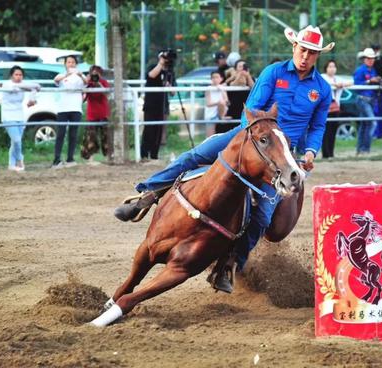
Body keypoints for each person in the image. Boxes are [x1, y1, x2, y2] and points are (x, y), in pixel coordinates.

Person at [115, 24, 334, 292]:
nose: (305, 56)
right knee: (194, 156)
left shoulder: (321, 89)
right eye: (303, 50)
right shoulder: (274, 73)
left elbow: (318, 126)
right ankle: (146, 196)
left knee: (263, 215)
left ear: (317, 56)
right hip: (248, 138)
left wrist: (310, 151)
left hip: (282, 156)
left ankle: (229, 264)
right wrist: (249, 140)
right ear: (294, 47)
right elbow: (251, 108)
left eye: (312, 53)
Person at [1, 66, 40, 171]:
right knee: (16, 140)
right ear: (11, 75)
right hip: (8, 116)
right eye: (16, 75)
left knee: (16, 142)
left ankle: (11, 164)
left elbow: (37, 86)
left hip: (19, 115)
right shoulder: (7, 84)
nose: (18, 77)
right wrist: (29, 87)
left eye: (20, 75)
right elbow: (14, 88)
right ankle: (19, 159)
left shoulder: (23, 84)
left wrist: (32, 98)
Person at [52, 55, 86, 168]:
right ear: (65, 64)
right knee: (61, 133)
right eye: (69, 62)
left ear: (76, 64)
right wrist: (67, 74)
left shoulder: (80, 76)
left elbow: (86, 83)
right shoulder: (61, 75)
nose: (71, 64)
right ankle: (56, 159)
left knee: (73, 134)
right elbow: (56, 80)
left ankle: (70, 158)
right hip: (63, 108)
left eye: (73, 62)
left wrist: (80, 75)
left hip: (76, 108)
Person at [140, 50, 173, 161]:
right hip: (150, 104)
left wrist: (169, 86)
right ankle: (144, 154)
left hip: (162, 104)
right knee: (149, 129)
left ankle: (154, 155)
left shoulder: (169, 72)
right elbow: (151, 75)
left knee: (159, 130)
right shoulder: (153, 66)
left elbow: (173, 91)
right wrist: (161, 63)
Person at [320, 60, 352, 158]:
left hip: (335, 108)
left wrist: (341, 85)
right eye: (330, 66)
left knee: (333, 131)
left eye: (334, 66)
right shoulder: (323, 77)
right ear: (326, 68)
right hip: (325, 108)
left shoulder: (337, 78)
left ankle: (331, 153)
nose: (332, 69)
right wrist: (335, 85)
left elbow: (351, 82)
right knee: (326, 131)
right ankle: (325, 153)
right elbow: (324, 83)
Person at [353, 47, 381, 155]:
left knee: (364, 125)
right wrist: (369, 81)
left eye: (372, 58)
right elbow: (356, 86)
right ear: (364, 59)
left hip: (370, 100)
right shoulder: (360, 71)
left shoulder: (372, 71)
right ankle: (365, 149)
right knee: (372, 123)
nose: (371, 60)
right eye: (369, 58)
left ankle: (360, 149)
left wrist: (378, 81)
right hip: (362, 100)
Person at [81, 65, 111, 163]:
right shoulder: (88, 83)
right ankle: (90, 159)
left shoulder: (103, 82)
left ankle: (108, 157)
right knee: (90, 137)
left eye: (97, 73)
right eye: (93, 73)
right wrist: (87, 82)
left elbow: (108, 94)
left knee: (106, 136)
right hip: (92, 114)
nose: (95, 76)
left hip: (103, 113)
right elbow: (83, 98)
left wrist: (98, 84)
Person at [220, 59, 255, 134]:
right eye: (240, 66)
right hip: (233, 110)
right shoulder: (230, 78)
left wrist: (247, 76)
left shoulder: (250, 78)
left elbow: (253, 88)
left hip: (246, 110)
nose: (242, 68)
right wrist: (239, 76)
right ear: (235, 69)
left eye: (244, 66)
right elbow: (231, 85)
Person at [205, 70, 229, 136]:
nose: (215, 79)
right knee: (209, 137)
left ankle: (221, 117)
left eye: (217, 77)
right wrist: (217, 103)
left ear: (221, 79)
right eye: (213, 77)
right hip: (211, 115)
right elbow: (208, 104)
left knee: (222, 137)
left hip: (222, 113)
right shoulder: (208, 88)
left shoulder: (222, 88)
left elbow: (226, 101)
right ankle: (221, 117)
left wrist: (221, 90)